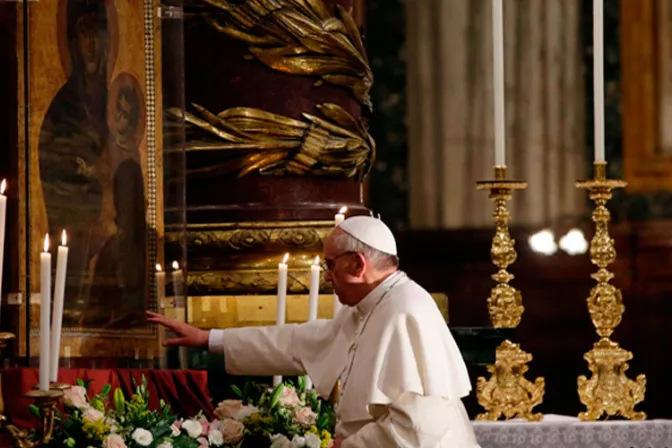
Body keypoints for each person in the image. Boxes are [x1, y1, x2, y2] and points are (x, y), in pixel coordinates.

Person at [146, 216, 480, 447]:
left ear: (358, 265)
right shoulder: (370, 307)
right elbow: (295, 343)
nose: (327, 275)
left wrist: (348, 446)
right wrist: (208, 338)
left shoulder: (404, 311)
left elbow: (418, 429)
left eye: (330, 265)